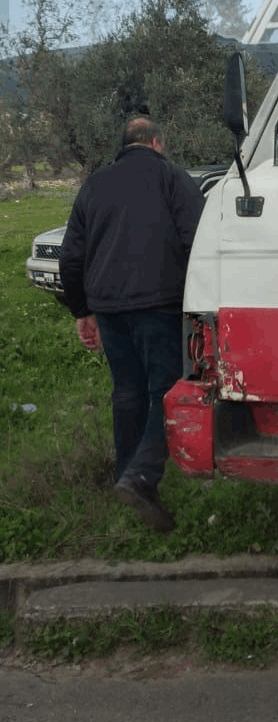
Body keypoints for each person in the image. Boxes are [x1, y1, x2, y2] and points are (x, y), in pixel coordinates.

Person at [59, 115, 205, 532]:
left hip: (108, 306)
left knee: (127, 392)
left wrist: (82, 311)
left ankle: (126, 476)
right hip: (159, 304)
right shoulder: (173, 178)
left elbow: (71, 256)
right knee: (166, 390)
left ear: (125, 145)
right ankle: (141, 477)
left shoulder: (94, 184)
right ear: (156, 143)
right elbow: (196, 240)